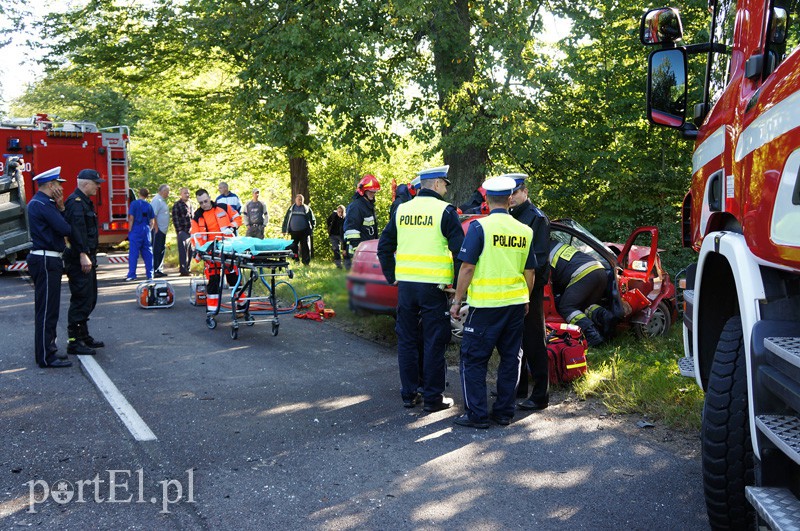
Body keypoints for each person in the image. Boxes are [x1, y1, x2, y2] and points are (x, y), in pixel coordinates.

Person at [449, 175, 536, 428]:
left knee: (474, 359)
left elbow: (467, 268)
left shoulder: (479, 227)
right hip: (515, 305)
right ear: (510, 199)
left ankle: (477, 415)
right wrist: (526, 298)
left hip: (486, 307)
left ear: (486, 199)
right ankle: (504, 413)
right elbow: (530, 272)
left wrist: (457, 301)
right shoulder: (525, 231)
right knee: (511, 359)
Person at [378, 165, 464, 412]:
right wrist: (459, 288)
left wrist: (392, 275)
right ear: (436, 184)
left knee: (406, 340)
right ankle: (433, 399)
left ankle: (408, 394)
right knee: (434, 340)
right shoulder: (445, 211)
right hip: (433, 289)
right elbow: (460, 252)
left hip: (406, 287)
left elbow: (384, 247)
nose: (446, 188)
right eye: (445, 184)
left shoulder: (402, 210)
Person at [507, 173, 552, 411]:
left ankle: (540, 395)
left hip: (530, 288)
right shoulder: (512, 216)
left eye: (515, 193)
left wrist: (528, 291)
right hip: (513, 286)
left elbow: (539, 260)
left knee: (534, 340)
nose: (511, 198)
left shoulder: (536, 218)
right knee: (516, 338)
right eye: (508, 194)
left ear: (525, 192)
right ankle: (519, 387)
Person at [26, 167, 73, 368]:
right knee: (46, 310)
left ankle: (50, 349)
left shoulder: (44, 203)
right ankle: (46, 356)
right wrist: (62, 208)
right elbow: (65, 228)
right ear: (51, 186)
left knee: (50, 308)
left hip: (48, 259)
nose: (61, 188)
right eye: (59, 185)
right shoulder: (42, 204)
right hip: (45, 259)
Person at [63, 169, 106, 356]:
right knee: (81, 298)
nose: (98, 186)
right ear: (85, 183)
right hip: (79, 259)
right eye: (96, 183)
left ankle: (83, 335)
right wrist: (82, 254)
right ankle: (74, 341)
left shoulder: (85, 202)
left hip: (88, 257)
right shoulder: (75, 203)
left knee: (89, 298)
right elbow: (75, 232)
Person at [191, 188, 243, 313]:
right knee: (213, 281)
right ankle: (212, 311)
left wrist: (231, 227)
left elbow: (238, 218)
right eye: (201, 203)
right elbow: (195, 236)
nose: (204, 204)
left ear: (209, 198)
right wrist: (200, 251)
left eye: (205, 201)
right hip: (211, 253)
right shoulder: (197, 217)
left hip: (227, 249)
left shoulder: (223, 207)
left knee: (233, 279)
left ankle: (242, 307)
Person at [549, 240, 609, 346]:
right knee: (584, 306)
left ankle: (592, 335)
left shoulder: (541, 251)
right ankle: (606, 320)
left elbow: (547, 279)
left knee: (567, 307)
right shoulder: (557, 244)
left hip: (583, 273)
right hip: (599, 270)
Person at [343, 174, 381, 255]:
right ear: (363, 191)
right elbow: (351, 230)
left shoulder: (368, 206)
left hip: (368, 250)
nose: (373, 194)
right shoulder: (356, 207)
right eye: (370, 191)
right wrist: (359, 250)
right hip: (359, 252)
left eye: (374, 192)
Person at [126, 188, 155, 282]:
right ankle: (150, 274)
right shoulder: (149, 206)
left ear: (139, 194)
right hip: (146, 229)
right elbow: (152, 221)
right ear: (147, 195)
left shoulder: (134, 204)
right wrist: (148, 230)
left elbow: (131, 218)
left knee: (134, 253)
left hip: (136, 229)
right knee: (148, 253)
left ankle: (132, 274)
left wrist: (130, 230)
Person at [281, 194, 316, 265]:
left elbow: (313, 220)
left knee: (305, 247)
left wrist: (311, 229)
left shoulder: (307, 209)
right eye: (298, 199)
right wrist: (284, 229)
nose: (300, 201)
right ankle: (296, 260)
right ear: (295, 200)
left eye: (301, 199)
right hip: (294, 231)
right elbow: (286, 219)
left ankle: (306, 262)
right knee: (293, 247)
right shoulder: (291, 208)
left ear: (303, 200)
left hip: (304, 231)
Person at [171, 187, 194, 276]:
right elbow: (175, 218)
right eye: (185, 193)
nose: (187, 195)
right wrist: (179, 231)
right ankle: (183, 270)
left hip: (191, 231)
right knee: (183, 251)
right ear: (181, 194)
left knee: (191, 250)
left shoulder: (191, 204)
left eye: (188, 193)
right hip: (182, 231)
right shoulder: (177, 205)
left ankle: (188, 268)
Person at [151, 184, 170, 278]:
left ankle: (159, 269)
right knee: (156, 250)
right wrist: (156, 228)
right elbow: (153, 215)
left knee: (161, 250)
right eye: (167, 191)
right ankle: (154, 270)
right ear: (163, 191)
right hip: (158, 230)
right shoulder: (157, 200)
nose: (168, 194)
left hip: (163, 230)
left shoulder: (162, 201)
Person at [326, 205, 349, 269]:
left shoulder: (345, 218)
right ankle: (338, 266)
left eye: (341, 212)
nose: (340, 213)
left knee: (345, 250)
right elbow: (328, 221)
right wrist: (329, 228)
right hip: (333, 235)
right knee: (336, 249)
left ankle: (347, 265)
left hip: (342, 235)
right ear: (337, 211)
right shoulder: (333, 215)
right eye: (339, 212)